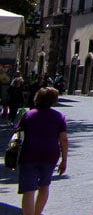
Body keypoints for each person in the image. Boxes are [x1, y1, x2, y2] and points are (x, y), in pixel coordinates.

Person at [15, 86, 68, 215]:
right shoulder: (59, 117)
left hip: (29, 154)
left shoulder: (28, 115)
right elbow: (63, 140)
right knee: (44, 186)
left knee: (28, 190)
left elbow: (17, 135)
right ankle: (37, 213)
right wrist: (64, 160)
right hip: (49, 155)